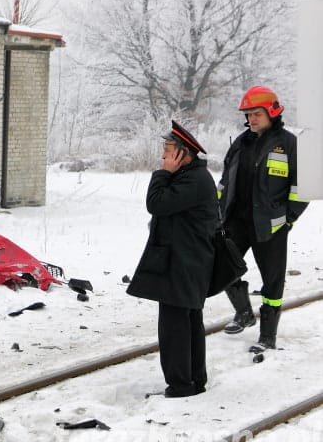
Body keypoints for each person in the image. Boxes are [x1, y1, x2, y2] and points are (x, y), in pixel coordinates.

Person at [127, 120, 218, 398]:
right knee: (186, 324)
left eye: (168, 151)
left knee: (175, 328)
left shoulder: (193, 180)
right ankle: (193, 381)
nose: (163, 156)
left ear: (183, 154)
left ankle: (181, 386)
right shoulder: (190, 177)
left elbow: (156, 203)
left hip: (184, 264)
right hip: (183, 262)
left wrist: (162, 173)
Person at [218, 86, 308, 352]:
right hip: (236, 221)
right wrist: (219, 211)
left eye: (257, 113)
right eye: (249, 114)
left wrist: (288, 218)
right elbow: (225, 181)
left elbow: (302, 187)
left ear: (272, 112)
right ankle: (243, 312)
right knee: (221, 265)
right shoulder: (240, 143)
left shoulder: (289, 144)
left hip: (271, 224)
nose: (252, 119)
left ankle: (268, 335)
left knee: (273, 280)